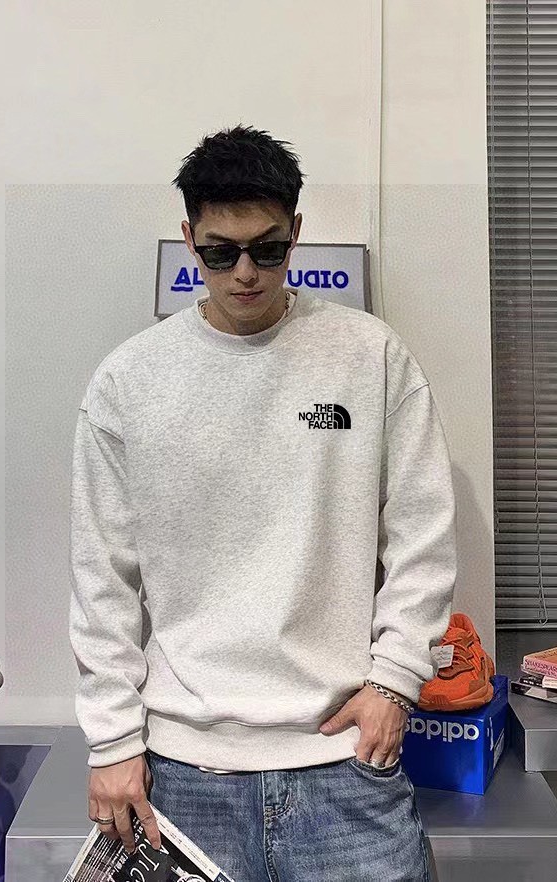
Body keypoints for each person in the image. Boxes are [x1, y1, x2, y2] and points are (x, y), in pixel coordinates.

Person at [68, 124, 456, 881]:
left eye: (268, 249)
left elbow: (423, 533)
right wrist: (112, 741)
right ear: (189, 238)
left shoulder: (371, 356)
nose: (245, 273)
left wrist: (395, 681)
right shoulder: (128, 382)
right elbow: (101, 577)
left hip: (344, 762)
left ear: (296, 233)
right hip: (180, 773)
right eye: (220, 253)